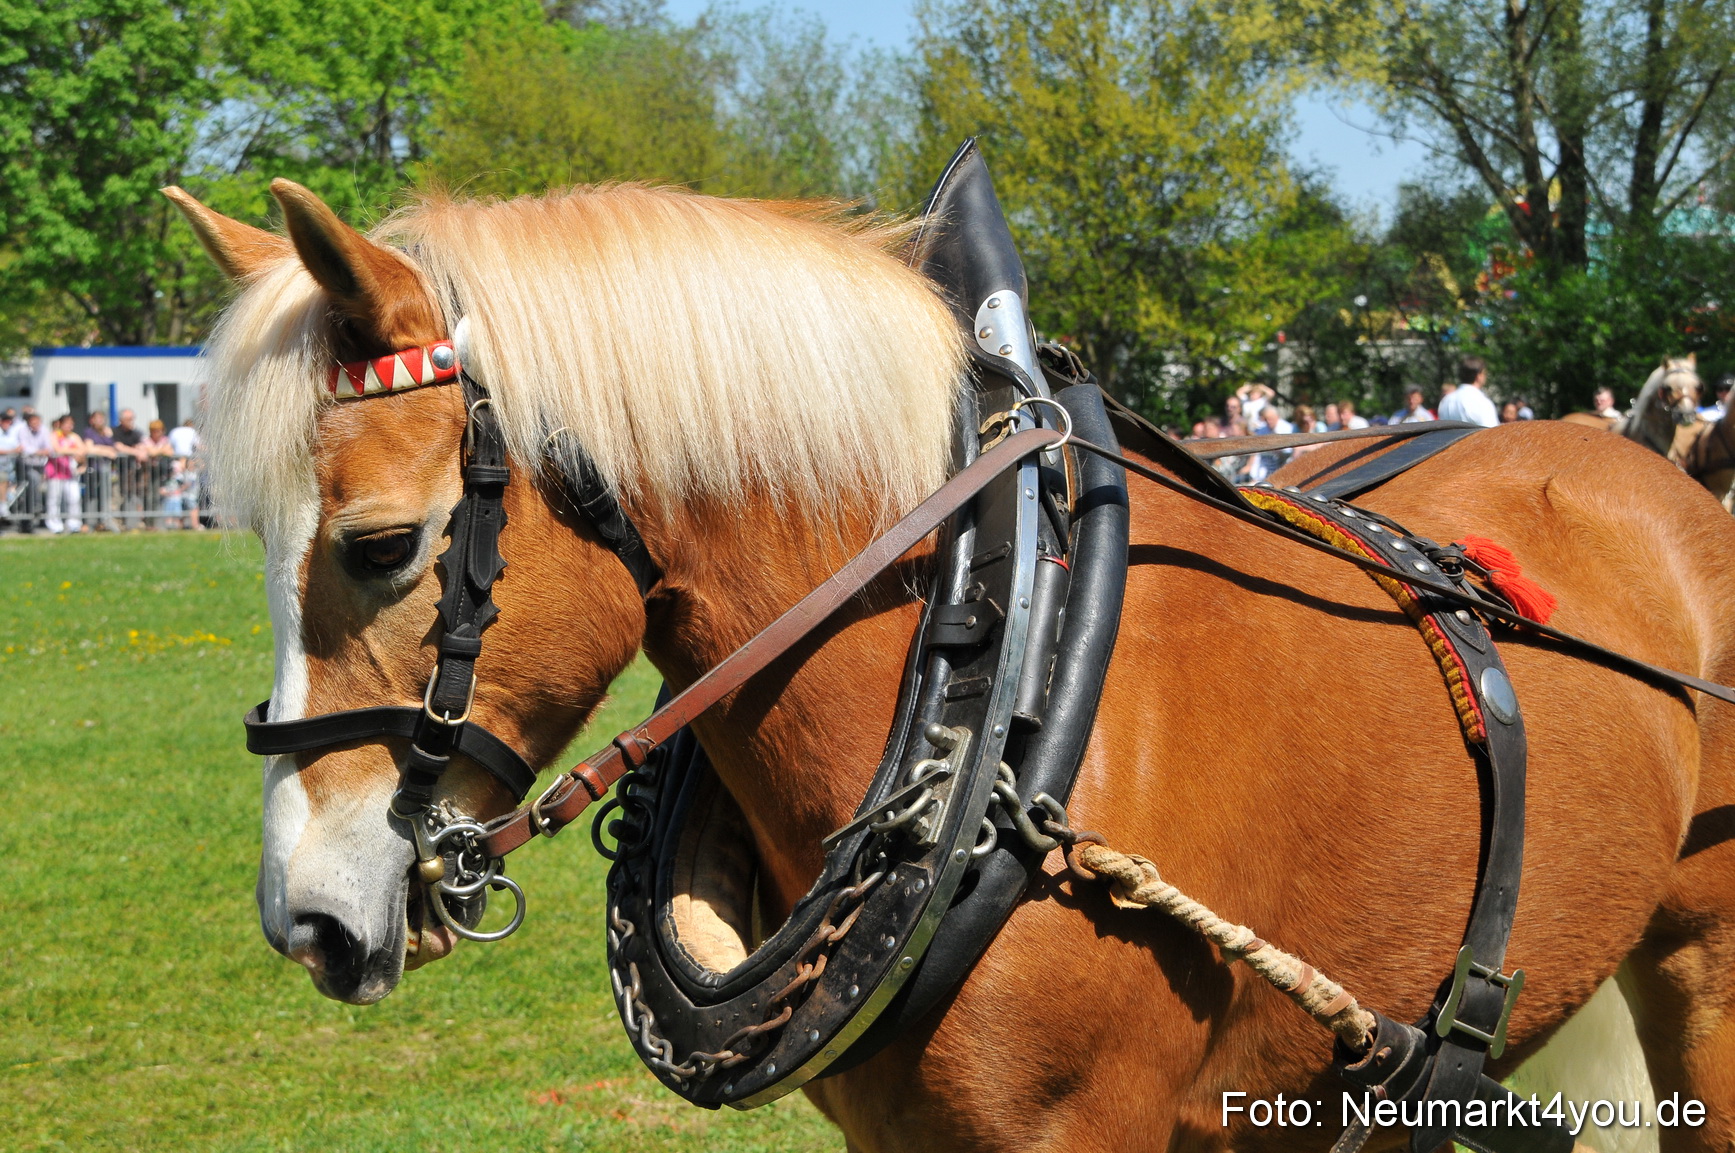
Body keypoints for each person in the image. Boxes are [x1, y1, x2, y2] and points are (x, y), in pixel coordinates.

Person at [43, 413, 85, 534]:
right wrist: (73, 451)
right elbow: (57, 449)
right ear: (60, 424)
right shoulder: (54, 435)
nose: (69, 426)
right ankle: (54, 524)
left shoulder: (74, 436)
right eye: (67, 424)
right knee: (54, 499)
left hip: (70, 472)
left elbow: (83, 450)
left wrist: (71, 451)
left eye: (71, 424)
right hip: (55, 472)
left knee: (74, 498)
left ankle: (74, 524)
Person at [83, 410, 120, 531]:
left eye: (101, 418)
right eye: (97, 418)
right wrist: (106, 451)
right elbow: (89, 449)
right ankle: (91, 522)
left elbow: (115, 448)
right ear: (91, 420)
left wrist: (103, 448)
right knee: (93, 497)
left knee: (107, 497)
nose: (100, 421)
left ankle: (106, 522)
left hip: (108, 470)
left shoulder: (107, 432)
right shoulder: (89, 432)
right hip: (94, 469)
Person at [1437, 356, 1499, 427]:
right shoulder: (1481, 402)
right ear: (1478, 376)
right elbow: (1492, 434)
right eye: (1484, 373)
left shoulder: (1446, 401)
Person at [16, 408, 51, 533]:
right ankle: (34, 510)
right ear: (29, 422)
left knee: (47, 490)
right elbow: (25, 449)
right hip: (26, 466)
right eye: (34, 422)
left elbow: (48, 448)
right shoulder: (22, 430)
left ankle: (43, 516)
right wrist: (39, 452)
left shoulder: (44, 430)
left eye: (38, 422)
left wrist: (38, 452)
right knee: (32, 485)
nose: (36, 425)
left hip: (41, 466)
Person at [0, 408, 19, 522]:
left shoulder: (11, 434)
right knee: (3, 479)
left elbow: (19, 447)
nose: (8, 423)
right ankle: (3, 506)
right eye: (6, 421)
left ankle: (4, 505)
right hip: (1, 469)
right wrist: (12, 451)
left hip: (11, 468)